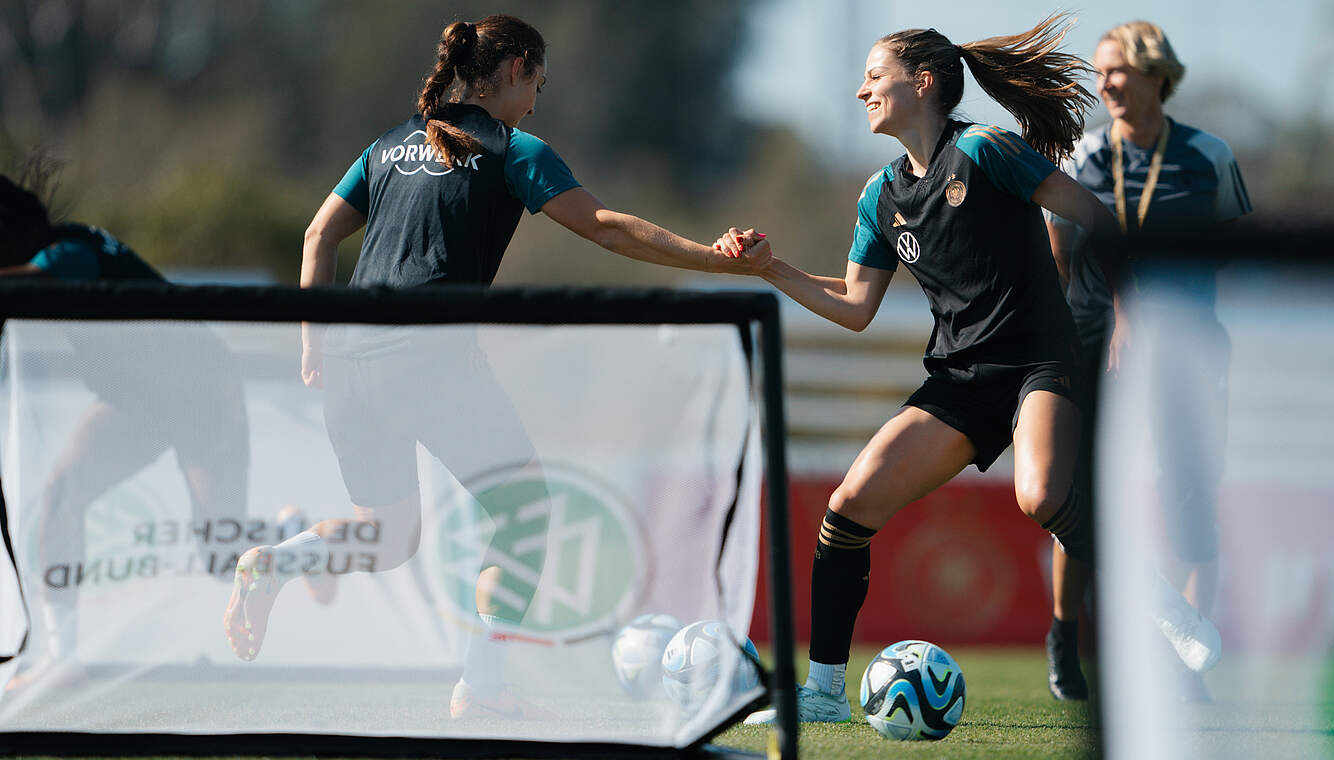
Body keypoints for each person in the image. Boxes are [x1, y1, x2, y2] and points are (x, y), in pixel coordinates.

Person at [219, 13, 768, 718]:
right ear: (515, 69)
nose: (537, 99)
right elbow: (602, 226)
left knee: (386, 535)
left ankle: (276, 560)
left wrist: (310, 337)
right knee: (524, 514)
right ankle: (481, 687)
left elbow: (318, 231)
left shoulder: (389, 143)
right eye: (537, 82)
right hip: (427, 351)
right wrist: (709, 255)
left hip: (351, 360)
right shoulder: (513, 148)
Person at [723, 15, 1128, 725]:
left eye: (875, 77)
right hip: (959, 380)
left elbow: (1095, 218)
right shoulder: (879, 197)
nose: (861, 91)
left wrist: (1126, 312)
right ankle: (821, 694)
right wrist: (770, 267)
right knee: (849, 508)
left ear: (925, 83)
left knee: (1038, 499)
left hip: (1039, 358)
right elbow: (855, 307)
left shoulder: (986, 149)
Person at [1043, 20, 1250, 702]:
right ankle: (1064, 639)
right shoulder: (1080, 154)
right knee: (1082, 498)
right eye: (1099, 73)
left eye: (1117, 71)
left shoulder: (1209, 156)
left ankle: (1190, 660)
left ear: (1157, 75)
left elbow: (1237, 247)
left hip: (1189, 349)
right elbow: (1059, 251)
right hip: (1093, 342)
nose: (1104, 84)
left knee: (1193, 503)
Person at [0, 159, 251, 691]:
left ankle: (298, 534)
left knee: (220, 552)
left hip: (203, 392)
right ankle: (63, 657)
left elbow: (38, 282)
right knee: (62, 493)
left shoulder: (67, 251)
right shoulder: (51, 251)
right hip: (139, 403)